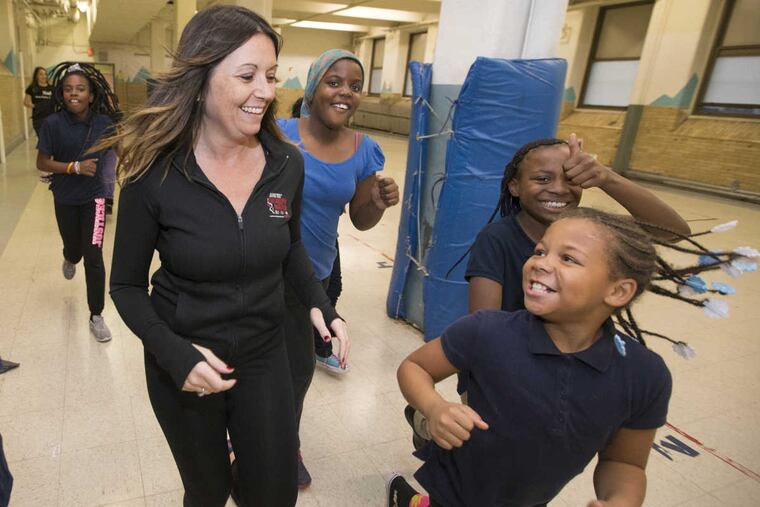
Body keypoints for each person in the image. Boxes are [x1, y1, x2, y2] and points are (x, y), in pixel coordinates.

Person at [103, 6, 347, 506]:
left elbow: (292, 248)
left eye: (271, 76)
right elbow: (125, 286)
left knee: (275, 492)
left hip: (264, 352)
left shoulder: (285, 164)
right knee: (208, 492)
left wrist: (321, 302)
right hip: (185, 359)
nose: (265, 90)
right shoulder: (156, 174)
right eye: (247, 75)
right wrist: (174, 354)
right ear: (201, 77)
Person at [389, 207, 720, 507]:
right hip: (456, 488)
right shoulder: (487, 331)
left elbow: (625, 464)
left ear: (618, 291)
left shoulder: (644, 376)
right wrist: (434, 407)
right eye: (540, 251)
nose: (540, 262)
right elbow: (415, 366)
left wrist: (620, 500)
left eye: (569, 258)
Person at [404, 135, 692, 448]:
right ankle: (424, 426)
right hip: (497, 371)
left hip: (561, 370)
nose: (558, 188)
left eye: (570, 179)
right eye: (542, 178)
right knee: (480, 447)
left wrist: (608, 178)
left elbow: (675, 232)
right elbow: (484, 325)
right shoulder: (497, 239)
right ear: (514, 186)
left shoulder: (592, 236)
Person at [277, 48, 399, 488]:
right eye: (334, 81)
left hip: (316, 275)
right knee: (251, 359)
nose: (345, 92)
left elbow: (362, 218)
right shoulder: (277, 132)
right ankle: (239, 436)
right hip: (262, 269)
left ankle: (286, 443)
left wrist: (379, 202)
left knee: (296, 370)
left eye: (354, 85)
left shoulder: (365, 151)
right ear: (313, 87)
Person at [35, 63, 120, 343]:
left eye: (81, 89)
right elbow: (42, 162)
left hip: (95, 200)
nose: (74, 94)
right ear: (62, 93)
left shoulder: (104, 124)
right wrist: (74, 167)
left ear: (91, 95)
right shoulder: (53, 124)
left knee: (93, 256)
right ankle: (70, 256)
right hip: (65, 198)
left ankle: (96, 315)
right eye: (69, 89)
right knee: (76, 250)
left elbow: (124, 151)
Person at [24, 66, 54, 136]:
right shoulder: (32, 88)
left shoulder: (52, 88)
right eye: (41, 74)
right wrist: (37, 106)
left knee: (52, 139)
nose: (44, 76)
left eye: (45, 74)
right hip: (38, 119)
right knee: (43, 139)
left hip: (51, 118)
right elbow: (26, 102)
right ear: (36, 76)